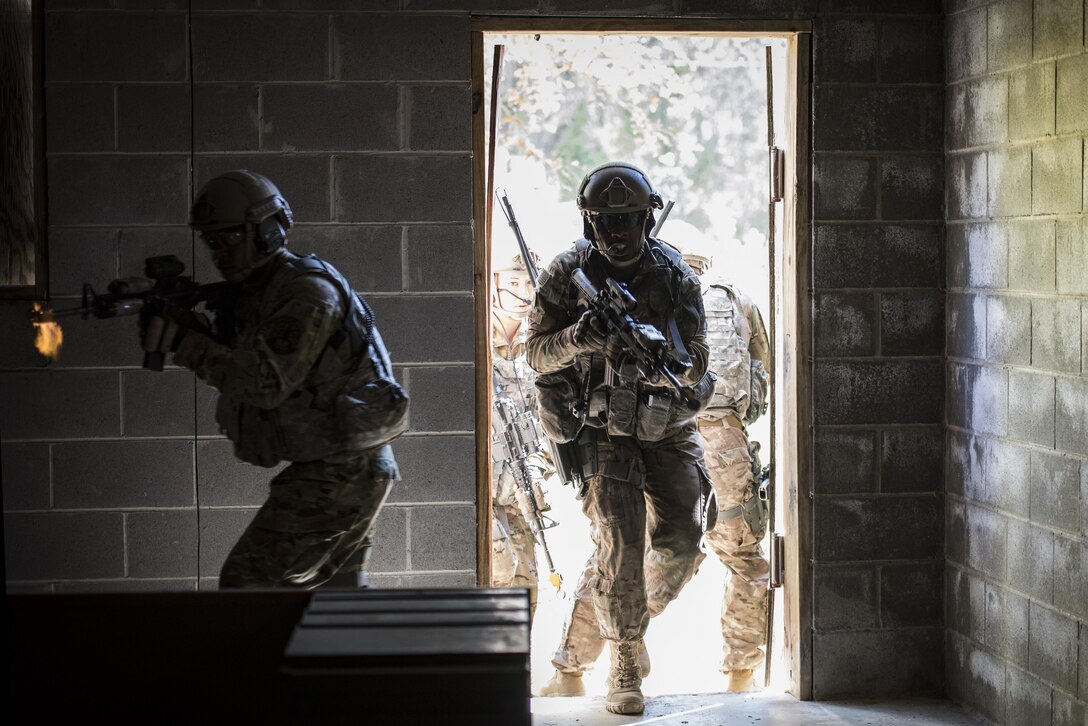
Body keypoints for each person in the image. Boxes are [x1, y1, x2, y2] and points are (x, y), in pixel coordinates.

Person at [140, 169, 408, 589]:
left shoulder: (305, 293)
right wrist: (191, 325)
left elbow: (264, 383)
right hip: (342, 465)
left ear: (266, 231)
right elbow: (248, 359)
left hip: (341, 470)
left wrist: (183, 342)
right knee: (335, 596)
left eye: (229, 238)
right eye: (212, 242)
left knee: (249, 583)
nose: (219, 253)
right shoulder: (263, 292)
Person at [538, 233, 772, 697]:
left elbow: (708, 370)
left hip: (682, 431)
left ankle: (575, 666)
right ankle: (739, 674)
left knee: (623, 554)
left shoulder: (687, 292)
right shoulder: (734, 299)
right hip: (709, 438)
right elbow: (758, 371)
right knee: (740, 556)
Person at [525, 161, 712, 715]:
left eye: (628, 219)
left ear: (646, 219)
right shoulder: (567, 274)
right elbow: (534, 354)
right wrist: (581, 339)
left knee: (681, 541)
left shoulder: (676, 277)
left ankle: (618, 619)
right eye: (605, 221)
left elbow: (697, 364)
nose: (617, 232)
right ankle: (625, 654)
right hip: (599, 428)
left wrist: (656, 358)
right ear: (589, 223)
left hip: (665, 424)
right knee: (622, 541)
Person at [490, 249, 553, 622]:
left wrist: (536, 465)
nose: (523, 293)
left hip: (519, 492)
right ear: (493, 284)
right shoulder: (471, 338)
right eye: (512, 283)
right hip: (480, 494)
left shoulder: (542, 345)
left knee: (524, 592)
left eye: (529, 283)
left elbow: (552, 421)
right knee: (497, 571)